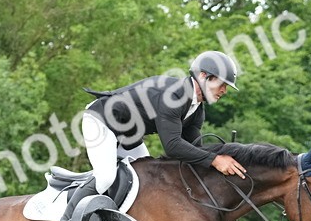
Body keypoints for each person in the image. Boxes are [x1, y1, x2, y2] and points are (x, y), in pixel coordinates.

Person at [81, 51, 246, 206]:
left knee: (146, 180)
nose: (224, 91)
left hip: (129, 134)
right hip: (101, 120)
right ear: (203, 76)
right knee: (105, 178)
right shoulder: (173, 96)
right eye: (222, 84)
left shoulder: (196, 109)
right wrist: (215, 160)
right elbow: (173, 146)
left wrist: (225, 156)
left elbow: (195, 148)